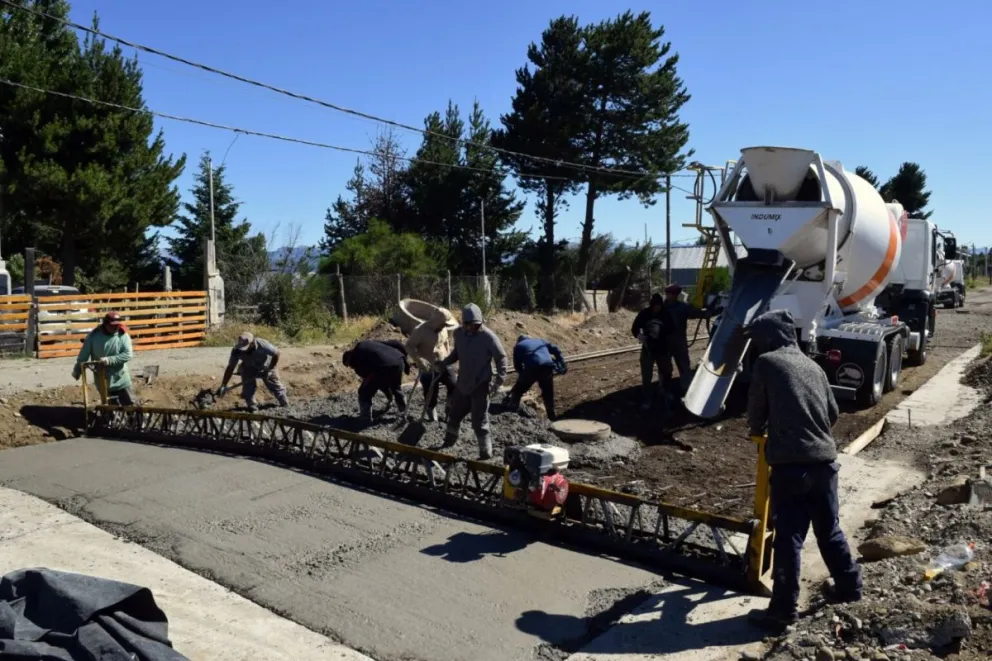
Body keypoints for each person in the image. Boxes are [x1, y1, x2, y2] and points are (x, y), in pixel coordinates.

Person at [745, 309, 862, 632]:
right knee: (829, 530)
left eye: (758, 340)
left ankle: (782, 612)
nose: (756, 346)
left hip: (791, 467)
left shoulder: (767, 363)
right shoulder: (814, 367)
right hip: (825, 464)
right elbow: (833, 413)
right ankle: (850, 588)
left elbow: (756, 408)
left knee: (789, 539)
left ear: (768, 339)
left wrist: (757, 427)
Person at [439, 303, 508, 460]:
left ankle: (485, 452)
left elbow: (501, 358)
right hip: (462, 383)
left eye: (476, 325)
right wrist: (444, 362)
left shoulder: (488, 337)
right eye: (470, 325)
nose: (473, 328)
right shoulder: (459, 334)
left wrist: (499, 381)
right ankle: (449, 441)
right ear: (465, 324)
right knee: (454, 415)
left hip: (480, 385)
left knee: (479, 422)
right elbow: (457, 353)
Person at [405, 306, 458, 422]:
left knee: (454, 386)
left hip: (443, 362)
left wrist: (447, 354)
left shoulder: (443, 328)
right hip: (428, 366)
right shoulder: (420, 330)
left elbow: (446, 341)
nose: (445, 326)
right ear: (436, 322)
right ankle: (430, 410)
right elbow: (409, 346)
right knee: (431, 393)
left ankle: (450, 410)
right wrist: (419, 360)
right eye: (443, 324)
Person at [71, 311, 136, 406]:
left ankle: (135, 420)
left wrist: (109, 360)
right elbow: (83, 356)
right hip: (102, 379)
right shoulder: (93, 336)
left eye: (117, 325)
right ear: (105, 324)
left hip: (121, 379)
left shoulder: (123, 335)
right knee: (111, 408)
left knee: (130, 405)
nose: (116, 327)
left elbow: (128, 354)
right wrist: (77, 370)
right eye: (112, 325)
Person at [662, 284, 713, 394]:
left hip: (678, 342)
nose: (668, 295)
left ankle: (687, 390)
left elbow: (698, 313)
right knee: (665, 368)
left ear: (675, 295)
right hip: (666, 342)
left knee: (684, 366)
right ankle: (665, 390)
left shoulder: (683, 307)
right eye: (667, 293)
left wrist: (712, 311)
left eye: (670, 293)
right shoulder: (662, 307)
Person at [218, 332, 289, 412]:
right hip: (249, 366)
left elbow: (276, 353)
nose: (243, 350)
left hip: (266, 364)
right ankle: (252, 406)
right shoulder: (236, 351)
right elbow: (230, 367)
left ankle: (284, 403)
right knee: (247, 385)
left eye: (245, 347)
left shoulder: (263, 345)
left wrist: (270, 368)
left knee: (273, 382)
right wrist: (224, 384)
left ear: (252, 343)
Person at [342, 339, 410, 421]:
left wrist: (363, 389)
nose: (351, 367)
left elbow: (369, 379)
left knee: (364, 392)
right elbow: (395, 343)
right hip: (399, 361)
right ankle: (404, 412)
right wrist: (405, 358)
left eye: (349, 365)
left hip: (384, 367)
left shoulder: (357, 360)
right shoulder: (366, 343)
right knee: (396, 388)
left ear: (350, 358)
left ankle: (365, 418)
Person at [504, 335, 567, 420]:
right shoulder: (540, 341)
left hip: (532, 368)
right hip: (547, 367)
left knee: (519, 390)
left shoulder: (518, 346)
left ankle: (511, 410)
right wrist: (562, 363)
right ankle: (551, 416)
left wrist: (522, 378)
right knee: (548, 392)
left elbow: (517, 366)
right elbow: (556, 349)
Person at [631, 293, 674, 411]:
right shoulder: (644, 313)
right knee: (646, 375)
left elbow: (672, 330)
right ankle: (647, 399)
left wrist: (667, 343)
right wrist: (640, 336)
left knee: (666, 372)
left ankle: (666, 392)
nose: (656, 308)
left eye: (658, 306)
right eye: (654, 306)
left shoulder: (666, 314)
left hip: (663, 349)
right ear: (651, 305)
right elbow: (634, 328)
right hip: (648, 348)